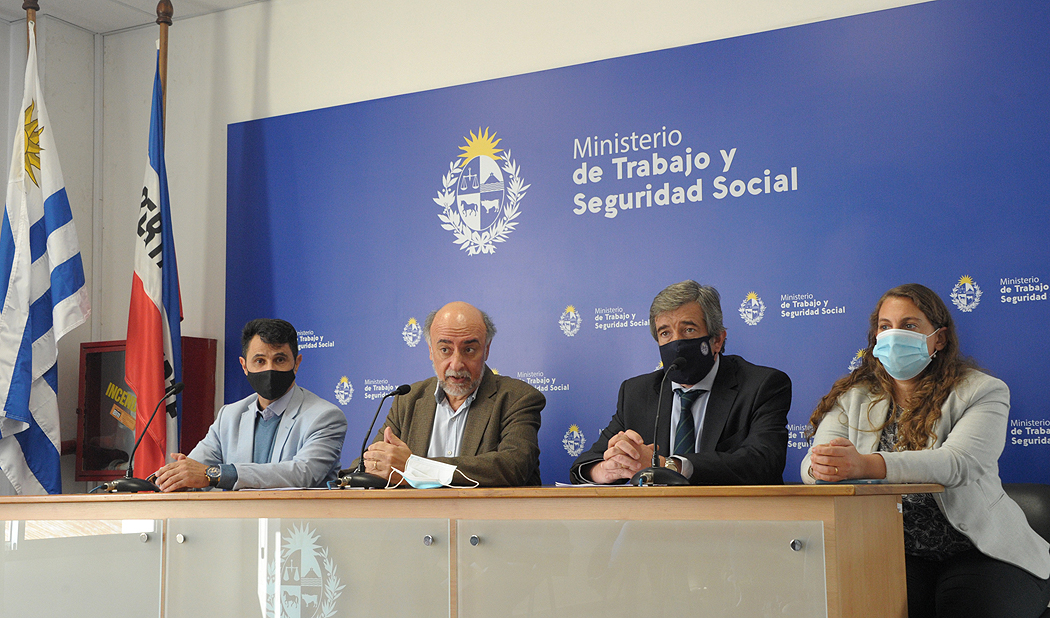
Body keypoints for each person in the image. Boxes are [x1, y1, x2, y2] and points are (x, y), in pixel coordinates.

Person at [802, 283, 1050, 618]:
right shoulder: (853, 395)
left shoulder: (982, 390)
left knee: (968, 607)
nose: (894, 335)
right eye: (885, 326)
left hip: (981, 550)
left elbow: (959, 463)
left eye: (909, 325)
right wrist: (823, 467)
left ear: (939, 338)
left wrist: (865, 465)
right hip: (895, 549)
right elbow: (812, 465)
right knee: (865, 604)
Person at [570, 280, 791, 485]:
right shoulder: (637, 393)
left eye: (688, 329)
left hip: (732, 513)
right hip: (656, 514)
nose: (676, 342)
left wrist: (668, 466)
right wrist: (608, 469)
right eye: (665, 333)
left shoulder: (761, 386)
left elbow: (764, 463)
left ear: (717, 340)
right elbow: (584, 466)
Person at [357, 301, 544, 486]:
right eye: (445, 350)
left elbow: (512, 467)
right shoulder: (408, 400)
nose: (456, 364)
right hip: (417, 507)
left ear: (486, 350)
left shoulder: (517, 398)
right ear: (431, 350)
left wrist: (415, 468)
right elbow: (370, 464)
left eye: (469, 350)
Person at [154, 318, 347, 491]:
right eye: (260, 361)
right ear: (244, 366)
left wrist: (218, 474)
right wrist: (171, 478)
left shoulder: (325, 416)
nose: (270, 368)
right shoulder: (230, 415)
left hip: (299, 520)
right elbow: (195, 468)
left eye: (279, 360)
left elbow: (302, 474)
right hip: (238, 519)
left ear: (296, 363)